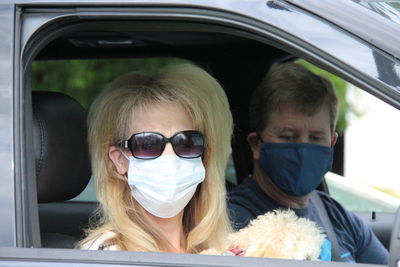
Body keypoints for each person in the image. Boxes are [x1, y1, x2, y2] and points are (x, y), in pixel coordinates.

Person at [228, 62, 389, 264]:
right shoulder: (232, 221)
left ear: (331, 144)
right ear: (256, 145)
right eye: (288, 137)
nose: (303, 150)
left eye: (315, 138)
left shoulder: (335, 215)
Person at [79, 63, 233, 253]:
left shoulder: (223, 250)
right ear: (119, 159)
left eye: (186, 142)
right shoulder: (106, 254)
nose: (170, 157)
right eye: (148, 144)